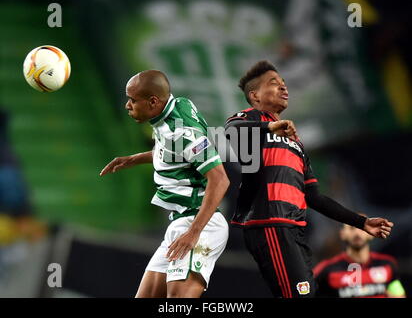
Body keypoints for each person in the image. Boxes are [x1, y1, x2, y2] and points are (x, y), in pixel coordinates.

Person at [224, 60, 394, 298]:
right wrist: (271, 127)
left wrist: (360, 222)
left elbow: (314, 197)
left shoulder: (296, 143)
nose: (284, 88)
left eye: (284, 84)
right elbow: (232, 130)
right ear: (255, 95)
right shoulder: (250, 120)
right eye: (274, 84)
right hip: (270, 224)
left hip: (295, 229)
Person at [100, 70, 229, 298]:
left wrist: (193, 233)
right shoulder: (178, 106)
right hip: (179, 224)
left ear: (153, 101)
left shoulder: (181, 133)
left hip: (200, 225)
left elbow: (220, 179)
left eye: (132, 100)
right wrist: (134, 158)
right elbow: (174, 151)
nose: (127, 105)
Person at [313, 214, 406, 298]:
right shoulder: (326, 269)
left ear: (372, 234)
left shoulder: (387, 264)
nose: (357, 233)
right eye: (352, 228)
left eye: (362, 228)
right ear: (342, 234)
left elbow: (398, 295)